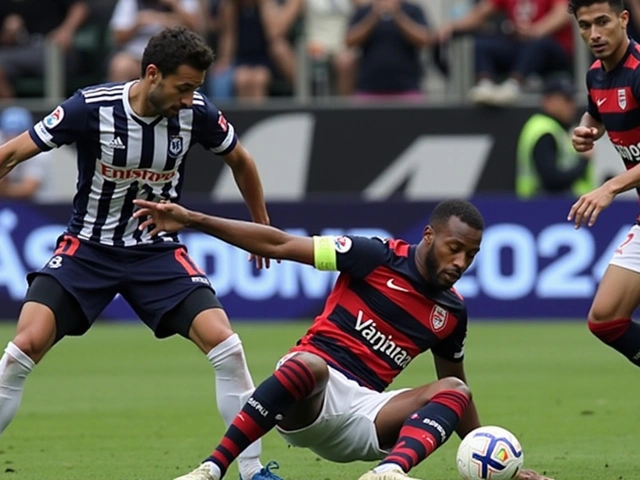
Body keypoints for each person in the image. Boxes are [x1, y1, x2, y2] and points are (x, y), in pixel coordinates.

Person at [0, 26, 284, 480]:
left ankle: (253, 473)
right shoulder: (89, 107)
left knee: (228, 347)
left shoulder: (197, 115)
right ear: (153, 74)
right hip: (87, 250)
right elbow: (11, 154)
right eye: (184, 88)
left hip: (156, 252)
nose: (190, 99)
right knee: (21, 350)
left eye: (196, 90)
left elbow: (241, 161)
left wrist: (261, 225)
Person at [131, 198, 553, 480]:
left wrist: (500, 463)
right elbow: (279, 244)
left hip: (366, 415)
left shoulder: (451, 313)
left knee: (455, 388)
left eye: (470, 255)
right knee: (307, 363)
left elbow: (455, 398)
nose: (460, 262)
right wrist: (193, 220)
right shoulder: (373, 256)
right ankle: (211, 469)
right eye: (454, 248)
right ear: (429, 236)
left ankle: (389, 473)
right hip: (307, 396)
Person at [568, 1, 640, 370]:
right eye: (584, 25)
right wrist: (588, 130)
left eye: (602, 22)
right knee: (606, 318)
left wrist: (610, 187)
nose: (594, 34)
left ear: (623, 19)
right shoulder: (596, 74)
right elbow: (596, 111)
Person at [438, 0, 573, 106]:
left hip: (553, 48)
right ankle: (486, 86)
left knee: (537, 44)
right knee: (480, 45)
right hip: (520, 45)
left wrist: (535, 31)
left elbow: (563, 13)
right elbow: (480, 13)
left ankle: (513, 86)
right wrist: (452, 26)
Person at [516, 75, 595, 198]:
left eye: (573, 100)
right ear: (548, 100)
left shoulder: (555, 129)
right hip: (542, 209)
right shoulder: (543, 130)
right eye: (567, 100)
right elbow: (552, 180)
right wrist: (583, 161)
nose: (572, 105)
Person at [0, 0, 89, 98]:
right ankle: (12, 111)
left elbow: (80, 7)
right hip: (17, 53)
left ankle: (55, 110)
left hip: (55, 50)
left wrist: (66, 30)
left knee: (55, 56)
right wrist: (8, 35)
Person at [0, 106, 54, 201]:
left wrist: (4, 189)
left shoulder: (40, 152)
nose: (12, 138)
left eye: (17, 134)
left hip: (38, 208)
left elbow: (28, 190)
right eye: (8, 133)